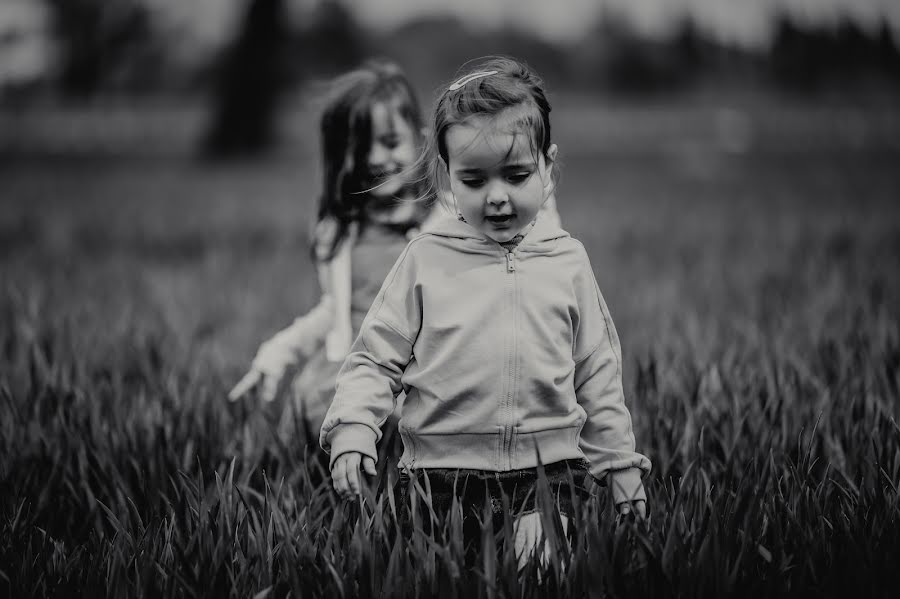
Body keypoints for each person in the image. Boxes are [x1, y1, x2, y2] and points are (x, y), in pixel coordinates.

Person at [320, 56, 651, 571]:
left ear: (548, 165)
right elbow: (374, 358)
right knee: (441, 576)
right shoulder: (425, 260)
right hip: (439, 474)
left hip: (547, 470)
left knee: (539, 570)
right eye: (474, 181)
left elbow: (597, 373)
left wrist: (618, 462)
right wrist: (353, 427)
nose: (497, 197)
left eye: (517, 175)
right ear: (447, 176)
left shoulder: (567, 262)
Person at [229, 58, 562, 449]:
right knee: (325, 457)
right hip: (349, 373)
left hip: (421, 373)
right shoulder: (339, 234)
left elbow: (522, 243)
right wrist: (280, 351)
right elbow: (334, 310)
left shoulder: (451, 217)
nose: (375, 159)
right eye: (359, 147)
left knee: (408, 462)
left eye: (389, 142)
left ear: (421, 142)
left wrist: (541, 194)